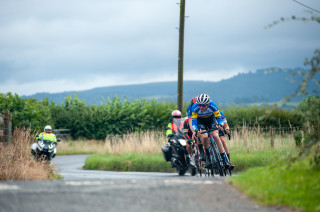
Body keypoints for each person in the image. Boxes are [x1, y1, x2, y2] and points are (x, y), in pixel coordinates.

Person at [191, 93, 229, 166]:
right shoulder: (195, 107)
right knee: (204, 137)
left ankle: (224, 159)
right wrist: (195, 129)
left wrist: (220, 124)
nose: (201, 107)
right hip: (200, 121)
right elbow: (194, 122)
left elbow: (219, 118)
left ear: (208, 104)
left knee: (216, 136)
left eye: (203, 105)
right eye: (199, 105)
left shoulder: (213, 105)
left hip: (211, 119)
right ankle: (207, 156)